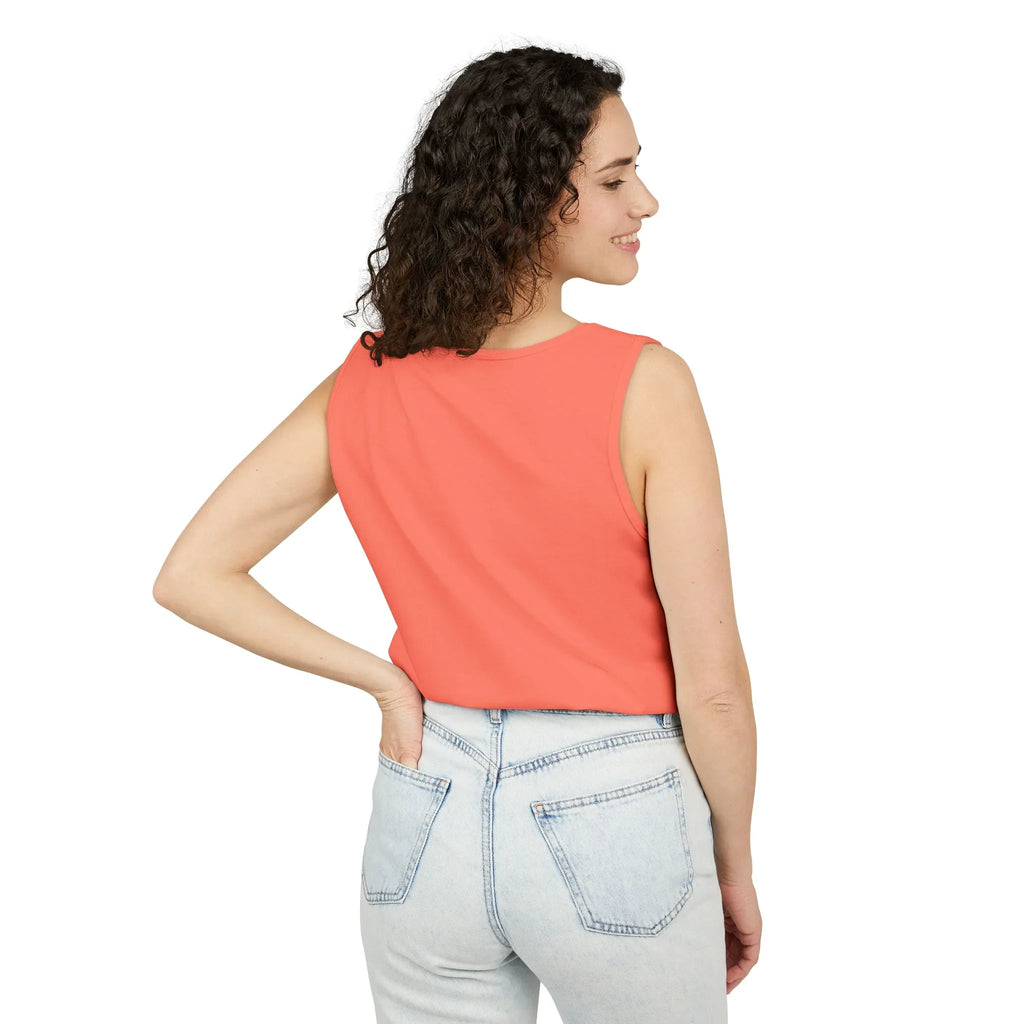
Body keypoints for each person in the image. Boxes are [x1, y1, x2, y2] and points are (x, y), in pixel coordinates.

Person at [154, 44, 760, 1024]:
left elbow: (191, 572)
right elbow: (716, 691)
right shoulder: (646, 387)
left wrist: (387, 681)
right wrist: (729, 861)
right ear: (528, 198)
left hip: (423, 804)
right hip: (617, 812)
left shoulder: (369, 380)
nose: (644, 202)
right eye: (613, 180)